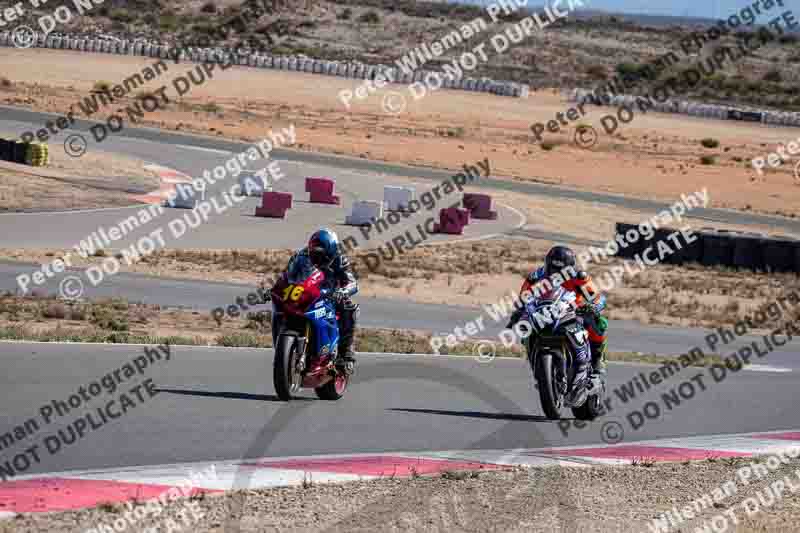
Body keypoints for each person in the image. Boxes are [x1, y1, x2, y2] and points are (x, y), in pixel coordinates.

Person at [507, 245, 608, 387]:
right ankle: (536, 363)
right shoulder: (535, 277)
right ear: (547, 264)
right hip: (543, 313)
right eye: (553, 268)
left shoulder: (579, 277)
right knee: (524, 326)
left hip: (572, 313)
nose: (556, 274)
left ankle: (597, 359)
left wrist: (593, 307)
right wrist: (518, 312)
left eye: (561, 270)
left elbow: (598, 297)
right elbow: (523, 298)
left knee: (599, 322)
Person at [274, 228, 359, 372]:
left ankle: (346, 353)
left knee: (348, 307)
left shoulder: (340, 259)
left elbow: (352, 282)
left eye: (320, 253)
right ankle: (283, 350)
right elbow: (287, 275)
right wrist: (275, 288)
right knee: (282, 306)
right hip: (307, 291)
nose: (316, 257)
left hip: (329, 293)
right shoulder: (301, 256)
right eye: (314, 252)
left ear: (330, 250)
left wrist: (343, 291)